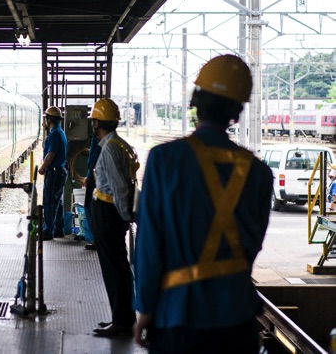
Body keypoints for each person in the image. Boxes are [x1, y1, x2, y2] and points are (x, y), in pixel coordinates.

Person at [133, 54, 273, 353]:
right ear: (237, 110)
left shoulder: (164, 160)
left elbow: (148, 245)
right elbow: (254, 245)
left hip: (178, 316)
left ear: (195, 101)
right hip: (238, 316)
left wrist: (146, 307)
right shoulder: (259, 173)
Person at [89, 98, 138, 337]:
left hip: (109, 213)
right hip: (113, 213)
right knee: (119, 266)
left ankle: (121, 321)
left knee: (114, 268)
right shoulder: (120, 144)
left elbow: (119, 187)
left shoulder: (109, 148)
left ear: (97, 122)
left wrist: (124, 217)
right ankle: (124, 317)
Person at [38, 106, 68, 240]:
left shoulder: (55, 134)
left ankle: (48, 231)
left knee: (50, 201)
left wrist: (43, 167)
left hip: (54, 172)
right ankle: (58, 229)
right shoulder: (60, 132)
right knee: (58, 201)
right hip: (60, 171)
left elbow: (51, 155)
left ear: (49, 119)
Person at [83, 132, 102, 250]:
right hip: (98, 178)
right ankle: (99, 240)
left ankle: (98, 240)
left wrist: (88, 176)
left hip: (95, 179)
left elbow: (93, 160)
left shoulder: (98, 139)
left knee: (90, 208)